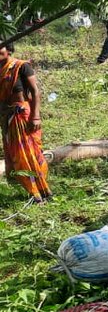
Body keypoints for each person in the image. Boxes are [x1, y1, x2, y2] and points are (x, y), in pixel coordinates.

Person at [0, 43, 50, 202]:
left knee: (31, 153)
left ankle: (43, 190)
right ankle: (33, 192)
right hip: (7, 118)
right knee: (17, 156)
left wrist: (35, 116)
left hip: (23, 116)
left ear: (8, 49)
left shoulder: (21, 66)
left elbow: (35, 91)